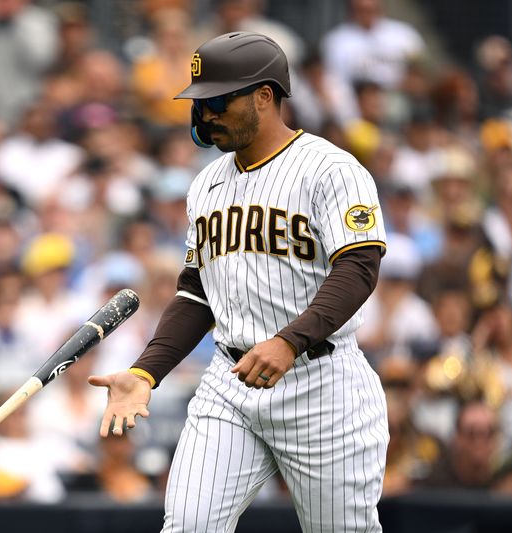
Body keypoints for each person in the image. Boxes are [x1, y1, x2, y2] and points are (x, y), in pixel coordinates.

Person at [89, 32, 389, 532]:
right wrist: (145, 372)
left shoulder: (330, 168)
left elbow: (359, 266)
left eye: (217, 102)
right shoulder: (206, 183)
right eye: (200, 103)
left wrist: (291, 340)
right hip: (230, 386)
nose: (204, 115)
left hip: (321, 383)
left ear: (264, 97)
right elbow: (196, 291)